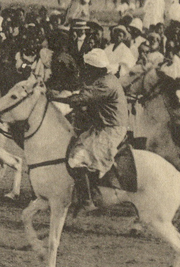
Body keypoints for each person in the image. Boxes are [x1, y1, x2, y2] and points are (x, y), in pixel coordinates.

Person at [55, 48, 130, 210]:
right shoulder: (105, 79)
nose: (85, 70)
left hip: (111, 129)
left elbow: (81, 98)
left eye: (87, 67)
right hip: (104, 126)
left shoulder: (105, 83)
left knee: (77, 159)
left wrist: (53, 97)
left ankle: (88, 200)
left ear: (96, 69)